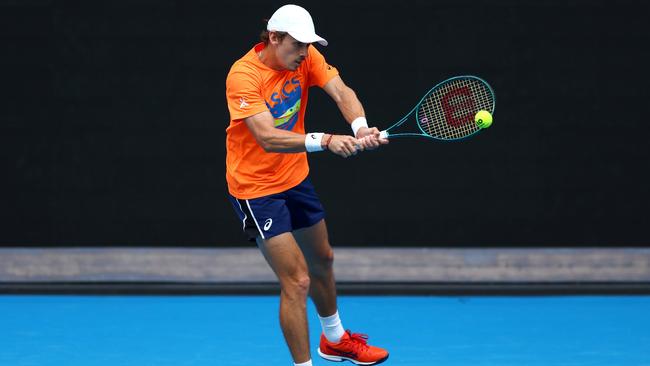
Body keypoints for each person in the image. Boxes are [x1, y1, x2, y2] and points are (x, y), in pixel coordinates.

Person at [225, 4, 389, 366]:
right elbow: (267, 137)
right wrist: (326, 140)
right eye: (296, 45)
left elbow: (342, 92)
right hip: (256, 188)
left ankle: (334, 340)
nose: (303, 53)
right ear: (273, 37)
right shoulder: (243, 75)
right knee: (297, 281)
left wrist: (360, 127)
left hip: (294, 177)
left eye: (307, 45)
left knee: (322, 260)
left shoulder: (306, 56)